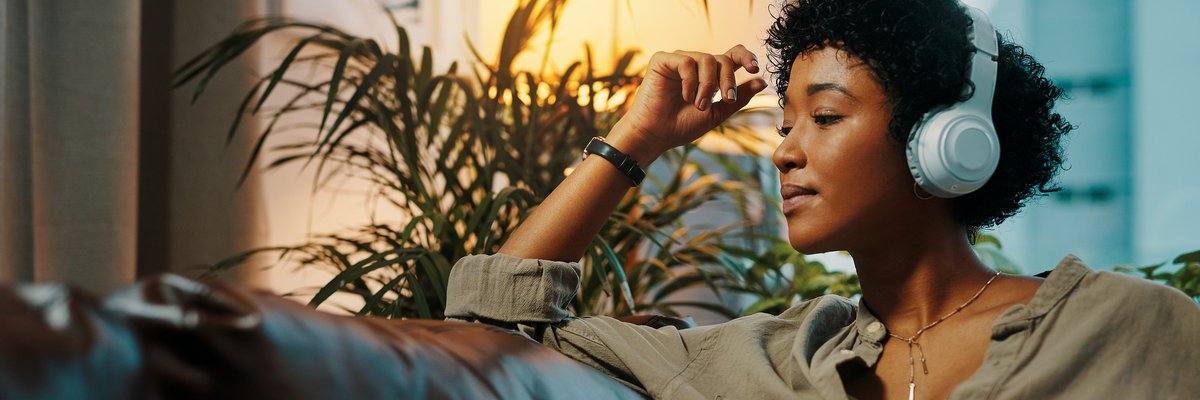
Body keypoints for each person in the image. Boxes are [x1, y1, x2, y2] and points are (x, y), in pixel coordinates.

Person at [445, 0, 1200, 399]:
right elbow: (486, 334)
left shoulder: (1128, 328)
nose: (784, 150)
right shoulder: (762, 360)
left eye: (827, 117)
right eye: (783, 122)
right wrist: (633, 142)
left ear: (947, 136)